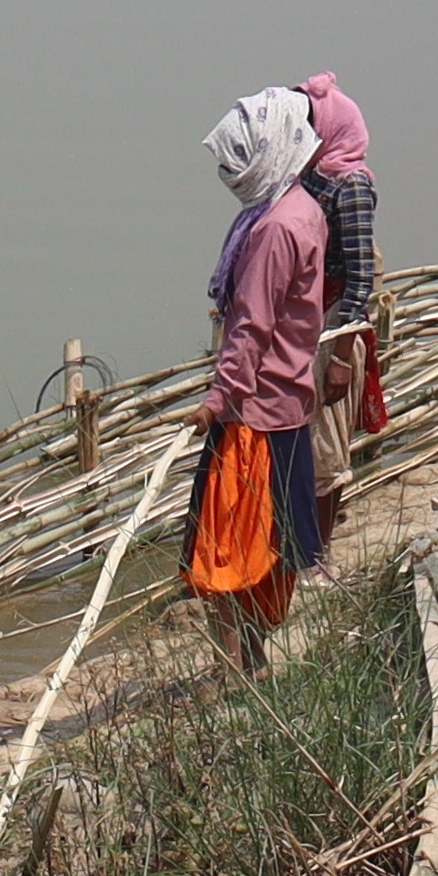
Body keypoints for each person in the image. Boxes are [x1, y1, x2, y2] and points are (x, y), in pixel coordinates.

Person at [188, 87, 329, 647]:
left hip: (254, 416)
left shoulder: (272, 230)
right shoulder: (304, 209)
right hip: (288, 404)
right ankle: (255, 658)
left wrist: (217, 400)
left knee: (225, 550)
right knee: (275, 543)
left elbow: (251, 327)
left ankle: (233, 671)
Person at [300, 70, 384, 441]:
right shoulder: (313, 172)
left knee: (325, 440)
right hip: (311, 309)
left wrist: (340, 356)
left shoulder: (351, 186)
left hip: (333, 319)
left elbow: (360, 276)